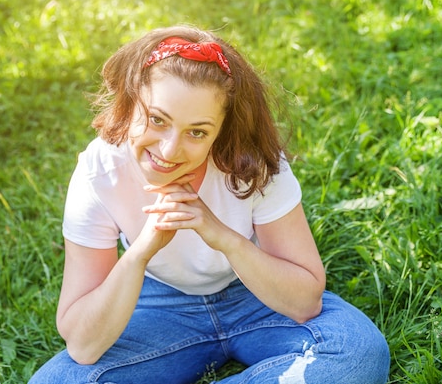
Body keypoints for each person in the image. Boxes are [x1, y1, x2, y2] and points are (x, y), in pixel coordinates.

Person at [29, 25, 390, 384]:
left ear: (221, 131)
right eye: (157, 120)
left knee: (356, 351)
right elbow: (82, 345)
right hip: (156, 307)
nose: (169, 150)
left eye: (197, 132)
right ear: (131, 101)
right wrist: (140, 253)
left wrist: (222, 236)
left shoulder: (254, 163)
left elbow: (305, 303)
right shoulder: (100, 171)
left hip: (253, 293)